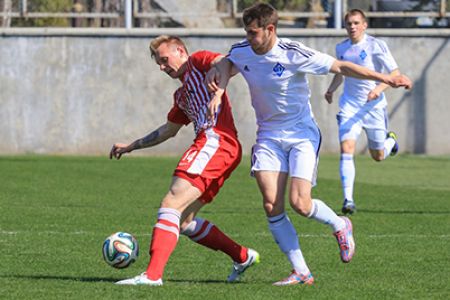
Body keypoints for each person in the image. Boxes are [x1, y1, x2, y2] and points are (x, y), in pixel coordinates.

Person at [206, 3, 412, 286]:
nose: (249, 38)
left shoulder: (293, 52)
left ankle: (340, 224)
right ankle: (301, 271)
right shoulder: (244, 50)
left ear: (270, 29)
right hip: (268, 135)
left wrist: (385, 78)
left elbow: (340, 66)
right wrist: (219, 86)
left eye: (253, 33)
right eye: (246, 32)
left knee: (300, 203)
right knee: (271, 205)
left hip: (302, 134)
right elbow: (227, 61)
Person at [110, 35, 259, 286]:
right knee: (185, 220)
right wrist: (132, 146)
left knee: (171, 202)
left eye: (164, 59)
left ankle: (152, 276)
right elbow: (168, 130)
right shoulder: (181, 95)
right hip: (219, 147)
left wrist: (218, 92)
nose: (162, 67)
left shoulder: (198, 62)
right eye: (158, 63)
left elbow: (225, 62)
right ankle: (242, 256)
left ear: (180, 50)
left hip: (216, 140)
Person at [324, 9, 402, 215]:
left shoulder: (376, 45)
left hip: (374, 108)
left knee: (378, 156)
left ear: (364, 25)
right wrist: (331, 89)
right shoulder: (341, 48)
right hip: (350, 106)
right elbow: (342, 72)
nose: (352, 27)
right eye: (349, 23)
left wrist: (377, 89)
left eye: (356, 23)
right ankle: (348, 200)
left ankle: (391, 141)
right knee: (347, 148)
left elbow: (395, 74)